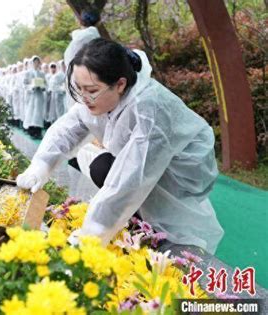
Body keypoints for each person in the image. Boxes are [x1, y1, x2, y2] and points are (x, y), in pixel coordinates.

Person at [17, 38, 224, 254]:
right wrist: (40, 166)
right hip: (141, 168)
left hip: (175, 179)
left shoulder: (151, 109)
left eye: (91, 90)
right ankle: (129, 219)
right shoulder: (102, 97)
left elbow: (131, 178)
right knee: (102, 168)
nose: (84, 98)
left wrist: (92, 234)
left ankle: (142, 227)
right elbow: (67, 129)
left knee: (147, 210)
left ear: (120, 84)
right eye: (79, 89)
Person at [23, 56, 47, 139]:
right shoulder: (28, 73)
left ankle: (38, 132)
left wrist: (43, 87)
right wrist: (32, 86)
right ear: (32, 63)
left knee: (39, 114)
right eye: (35, 62)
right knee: (31, 113)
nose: (36, 64)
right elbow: (25, 85)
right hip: (31, 96)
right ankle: (32, 132)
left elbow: (46, 84)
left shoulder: (42, 74)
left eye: (38, 62)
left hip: (39, 95)